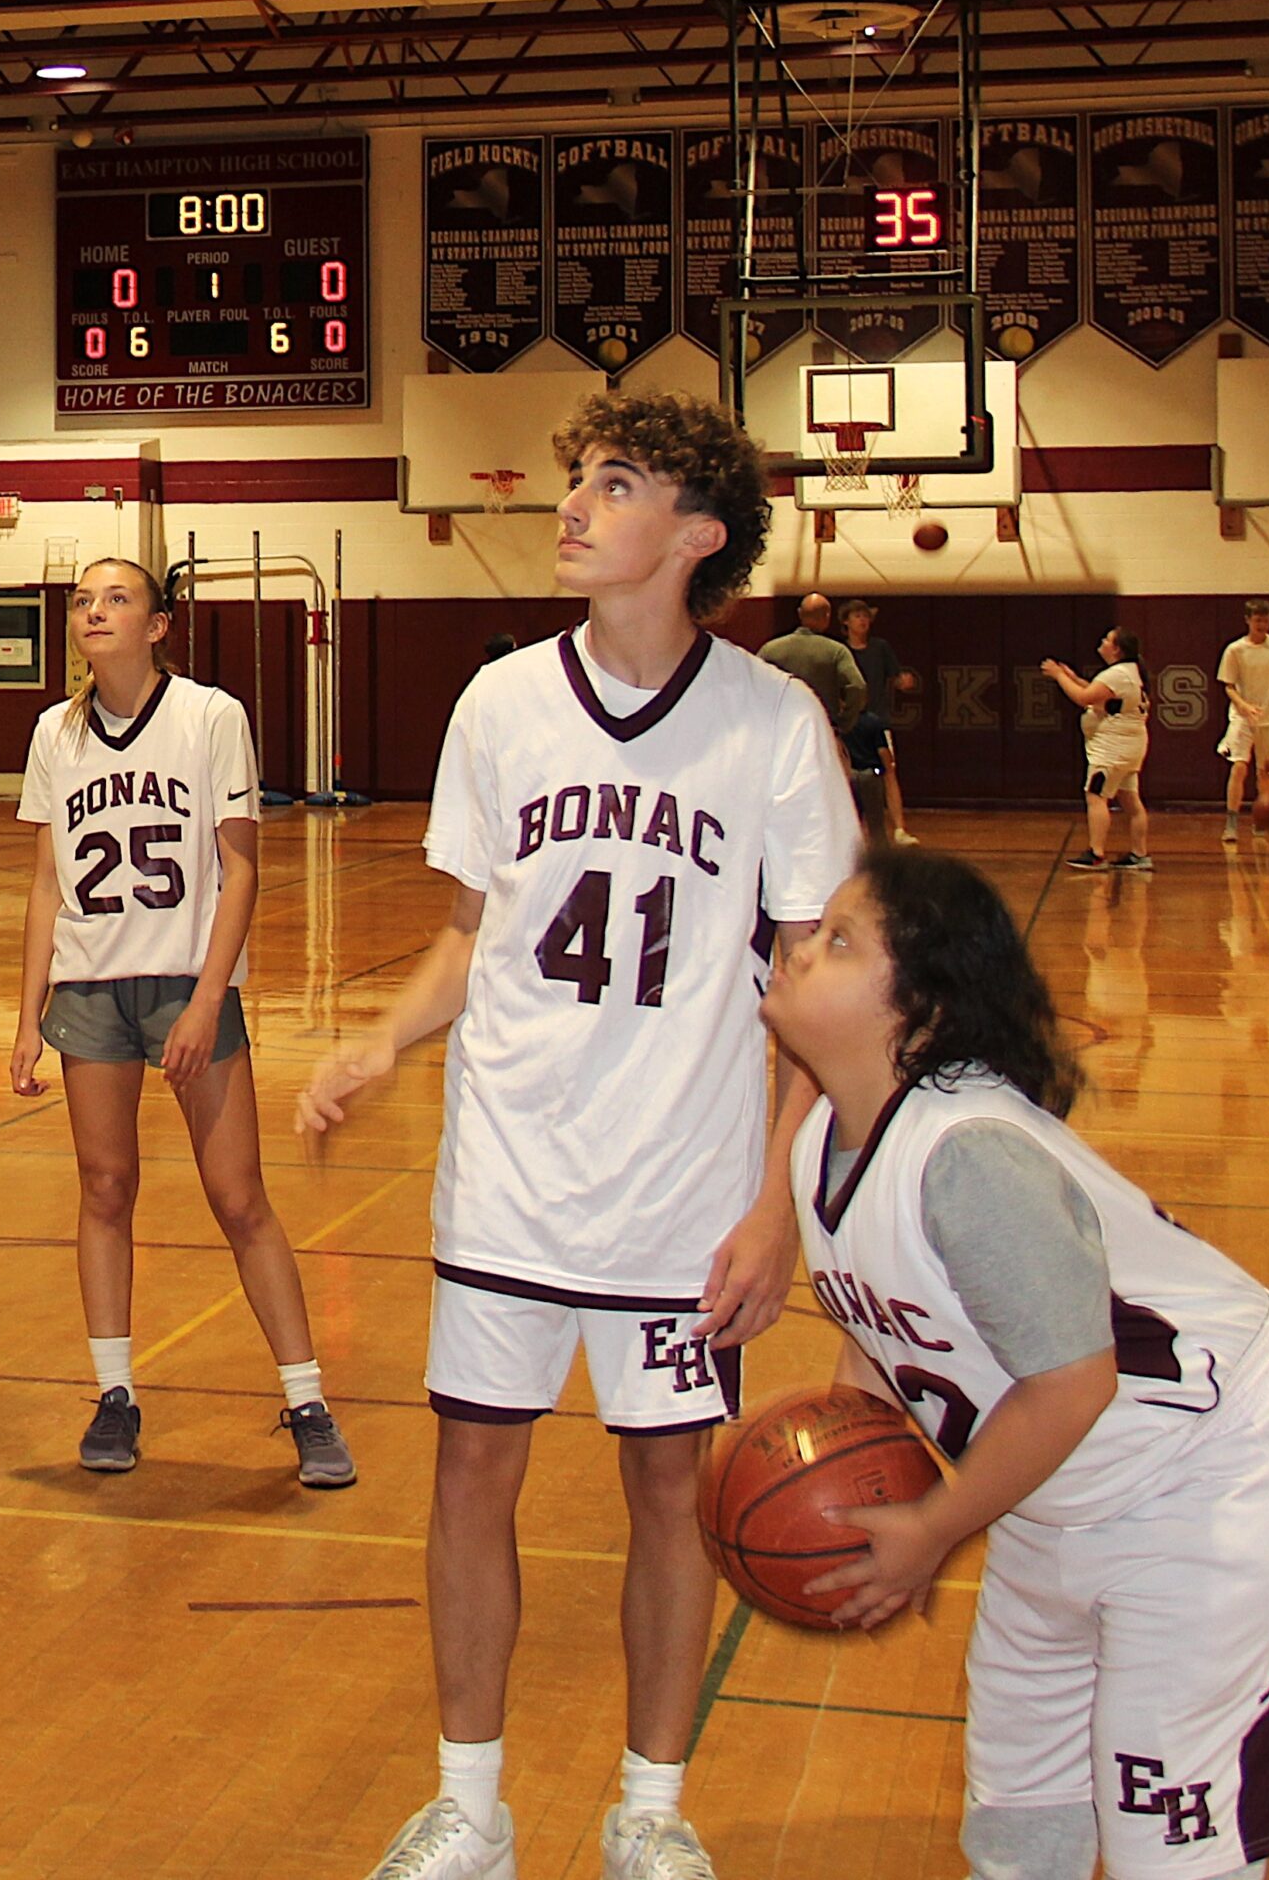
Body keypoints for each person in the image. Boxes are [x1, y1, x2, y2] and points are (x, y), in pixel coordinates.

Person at [298, 391, 856, 1880]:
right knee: (471, 1472)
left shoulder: (775, 725)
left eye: (616, 484)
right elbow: (471, 934)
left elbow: (820, 993)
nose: (575, 503)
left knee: (671, 1488)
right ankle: (470, 1804)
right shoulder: (501, 703)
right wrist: (383, 1036)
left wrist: (777, 1205)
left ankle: (650, 1808)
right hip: (510, 1175)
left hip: (683, 1192)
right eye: (578, 478)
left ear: (695, 536)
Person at [762, 847, 1269, 1880]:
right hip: (1054, 1487)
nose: (800, 944)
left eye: (840, 937)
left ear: (916, 1010)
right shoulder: (823, 1138)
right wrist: (850, 1478)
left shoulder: (966, 1158)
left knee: (1166, 1830)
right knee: (1018, 1809)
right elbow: (883, 1325)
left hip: (1215, 1472)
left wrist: (931, 1528)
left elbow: (1072, 1381)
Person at [11, 558, 352, 1488]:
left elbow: (240, 870)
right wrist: (26, 1013)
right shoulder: (54, 730)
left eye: (116, 598)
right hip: (88, 990)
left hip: (186, 985)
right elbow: (47, 883)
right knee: (105, 1187)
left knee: (239, 1195)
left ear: (159, 626)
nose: (94, 611)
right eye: (82, 600)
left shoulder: (211, 716)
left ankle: (307, 1398)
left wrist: (209, 996)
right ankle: (115, 1392)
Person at [1044, 628, 1152, 873]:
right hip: (1131, 746)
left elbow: (1084, 698)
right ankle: (1139, 854)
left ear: (1116, 648)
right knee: (1130, 800)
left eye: (1107, 639)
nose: (1102, 641)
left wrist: (1059, 676)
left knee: (1096, 796)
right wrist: (1074, 677)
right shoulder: (1132, 672)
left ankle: (1096, 854)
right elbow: (1100, 696)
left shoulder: (1117, 674)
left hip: (1112, 748)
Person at [838, 597, 917, 845]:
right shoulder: (840, 651)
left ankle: (899, 828)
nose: (863, 620)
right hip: (850, 723)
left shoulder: (880, 648)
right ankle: (850, 830)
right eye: (857, 616)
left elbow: (895, 677)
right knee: (846, 775)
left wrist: (903, 682)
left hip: (878, 720)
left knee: (888, 771)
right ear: (846, 622)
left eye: (865, 616)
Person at [1215, 601, 1269, 843]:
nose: (1262, 625)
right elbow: (1228, 685)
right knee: (1238, 766)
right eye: (1258, 620)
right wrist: (1243, 705)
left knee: (1265, 771)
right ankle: (1231, 821)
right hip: (1243, 716)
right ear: (1248, 620)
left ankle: (1262, 817)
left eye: (1266, 621)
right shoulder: (1235, 650)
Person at [758, 590, 866, 741]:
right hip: (822, 732)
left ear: (799, 613)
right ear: (827, 617)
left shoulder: (770, 649)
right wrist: (843, 723)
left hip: (781, 732)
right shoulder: (836, 651)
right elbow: (857, 687)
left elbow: (754, 687)